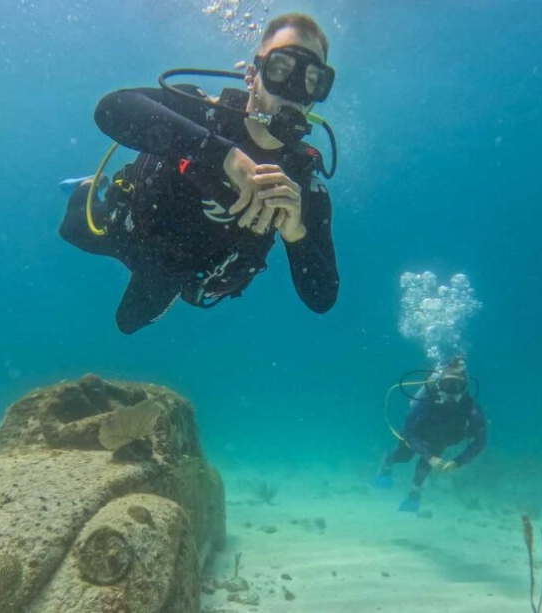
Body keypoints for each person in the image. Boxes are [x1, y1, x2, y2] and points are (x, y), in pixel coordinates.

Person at [59, 12, 340, 334]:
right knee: (72, 230)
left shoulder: (301, 182)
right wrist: (226, 156)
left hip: (177, 272)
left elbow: (322, 297)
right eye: (280, 69)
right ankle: (87, 187)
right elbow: (111, 108)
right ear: (252, 75)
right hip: (127, 227)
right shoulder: (200, 111)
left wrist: (296, 233)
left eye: (311, 79)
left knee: (128, 322)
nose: (293, 90)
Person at [374, 356, 488, 512]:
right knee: (404, 456)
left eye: (458, 386)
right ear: (440, 384)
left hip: (440, 439)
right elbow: (407, 430)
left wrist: (458, 461)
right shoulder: (428, 399)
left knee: (425, 467)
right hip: (416, 434)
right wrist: (429, 456)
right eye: (448, 385)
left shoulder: (470, 407)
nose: (452, 392)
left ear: (466, 387)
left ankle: (414, 495)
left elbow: (481, 441)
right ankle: (387, 464)